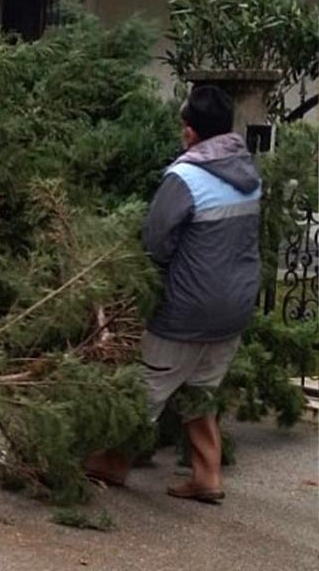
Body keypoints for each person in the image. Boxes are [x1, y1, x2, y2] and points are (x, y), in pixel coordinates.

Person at [86, 85, 260, 504]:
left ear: (189, 131)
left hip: (187, 309)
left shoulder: (186, 177)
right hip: (236, 306)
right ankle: (207, 475)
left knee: (144, 388)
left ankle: (110, 462)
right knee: (200, 389)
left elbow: (156, 241)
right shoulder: (250, 176)